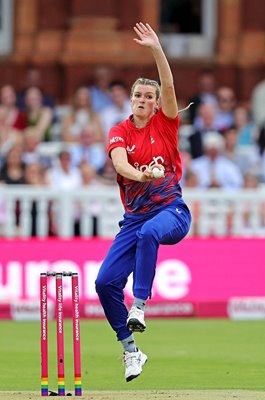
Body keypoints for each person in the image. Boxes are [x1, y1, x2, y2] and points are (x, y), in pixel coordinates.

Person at [95, 22, 191, 383]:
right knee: (104, 283)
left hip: (172, 212)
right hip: (133, 219)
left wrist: (155, 48)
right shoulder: (119, 130)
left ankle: (139, 305)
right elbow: (120, 164)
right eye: (138, 95)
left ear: (156, 104)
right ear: (130, 99)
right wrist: (142, 175)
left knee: (152, 230)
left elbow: (168, 85)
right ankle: (131, 351)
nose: (143, 99)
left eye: (149, 97)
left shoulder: (166, 124)